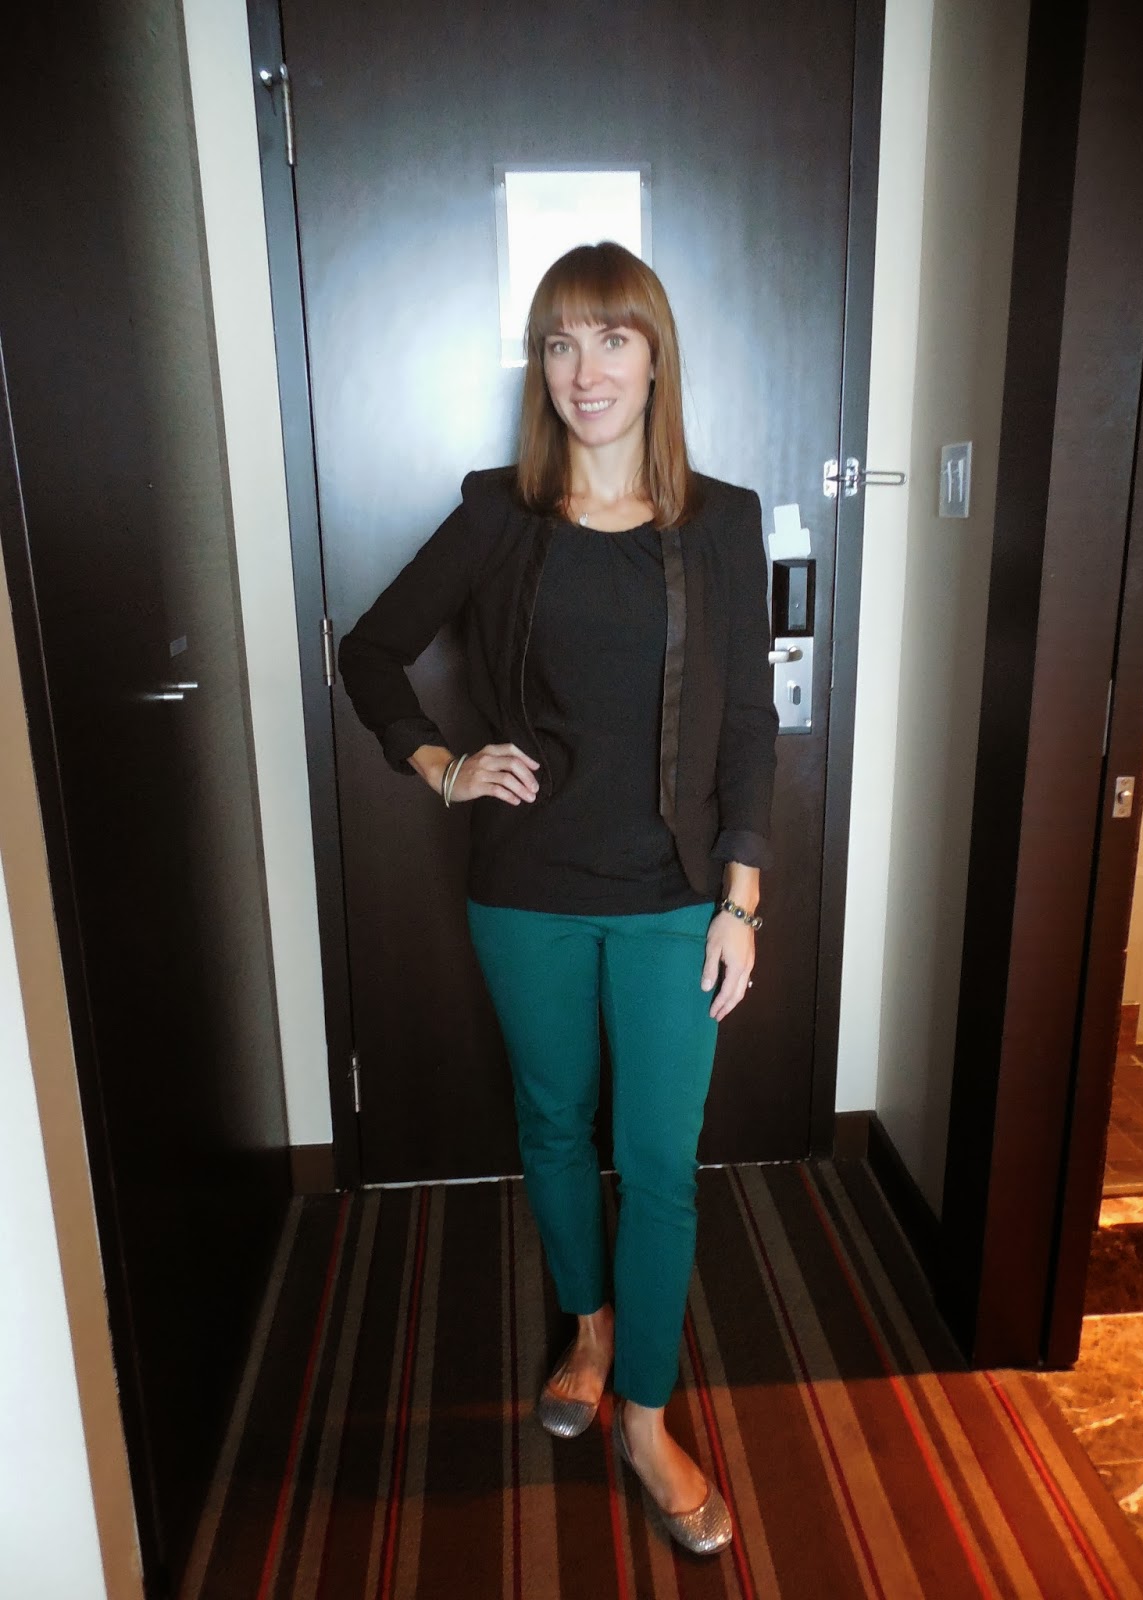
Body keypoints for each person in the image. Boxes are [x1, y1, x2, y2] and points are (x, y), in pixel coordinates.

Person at [339, 241, 777, 1555]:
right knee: (551, 1122)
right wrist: (442, 764)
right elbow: (371, 651)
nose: (586, 372)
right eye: (560, 344)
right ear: (540, 368)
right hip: (524, 891)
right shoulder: (499, 515)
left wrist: (742, 899)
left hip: (672, 898)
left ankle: (643, 1414)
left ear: (655, 358)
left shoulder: (720, 521)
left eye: (612, 340)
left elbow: (748, 722)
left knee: (661, 1164)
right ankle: (587, 1329)